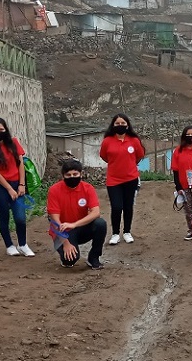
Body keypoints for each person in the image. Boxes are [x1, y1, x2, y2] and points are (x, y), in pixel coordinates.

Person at [0, 117, 34, 257]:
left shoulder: (14, 143)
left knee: (20, 217)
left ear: (6, 129)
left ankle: (23, 245)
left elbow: (21, 164)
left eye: (1, 129)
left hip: (17, 184)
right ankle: (9, 245)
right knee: (4, 216)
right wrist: (9, 189)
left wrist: (21, 185)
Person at [46, 159, 107, 270]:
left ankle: (94, 258)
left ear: (81, 174)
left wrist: (74, 224)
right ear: (63, 176)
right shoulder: (54, 190)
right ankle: (65, 254)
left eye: (75, 174)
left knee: (100, 224)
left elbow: (96, 212)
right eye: (68, 175)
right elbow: (55, 221)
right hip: (61, 231)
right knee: (69, 261)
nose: (72, 177)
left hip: (79, 228)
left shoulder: (88, 188)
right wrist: (66, 243)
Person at [99, 113, 146, 245]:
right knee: (116, 207)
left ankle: (127, 232)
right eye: (117, 124)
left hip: (131, 179)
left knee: (128, 206)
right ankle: (115, 233)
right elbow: (104, 156)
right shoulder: (107, 141)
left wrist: (129, 164)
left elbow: (139, 155)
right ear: (113, 125)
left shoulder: (134, 140)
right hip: (113, 180)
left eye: (123, 124)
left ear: (127, 125)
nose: (120, 126)